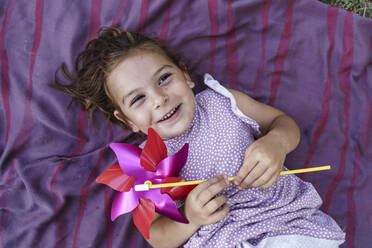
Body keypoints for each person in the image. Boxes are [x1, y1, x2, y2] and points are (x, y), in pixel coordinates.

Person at [51, 27, 345, 248]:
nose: (159, 99)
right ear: (127, 121)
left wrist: (277, 143)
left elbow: (283, 123)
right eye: (138, 99)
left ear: (185, 75)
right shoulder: (144, 165)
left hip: (283, 222)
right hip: (220, 240)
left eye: (164, 78)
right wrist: (190, 218)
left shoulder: (222, 102)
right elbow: (155, 235)